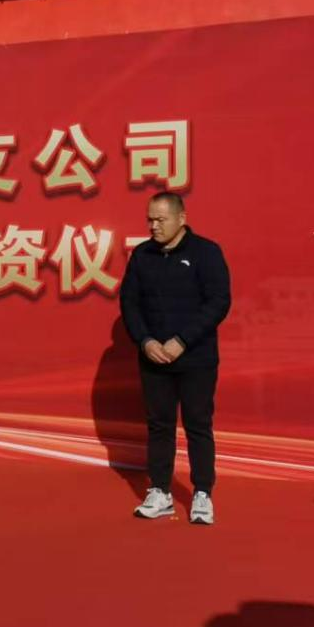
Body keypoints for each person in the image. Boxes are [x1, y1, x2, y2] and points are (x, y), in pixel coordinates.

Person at [120, 191, 231, 525]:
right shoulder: (142, 255)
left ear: (181, 219)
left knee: (198, 424)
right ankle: (160, 491)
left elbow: (218, 302)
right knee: (159, 425)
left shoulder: (206, 253)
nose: (153, 226)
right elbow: (129, 303)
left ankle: (202, 493)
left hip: (196, 358)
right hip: (154, 358)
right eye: (150, 220)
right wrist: (145, 341)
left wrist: (183, 340)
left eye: (161, 219)